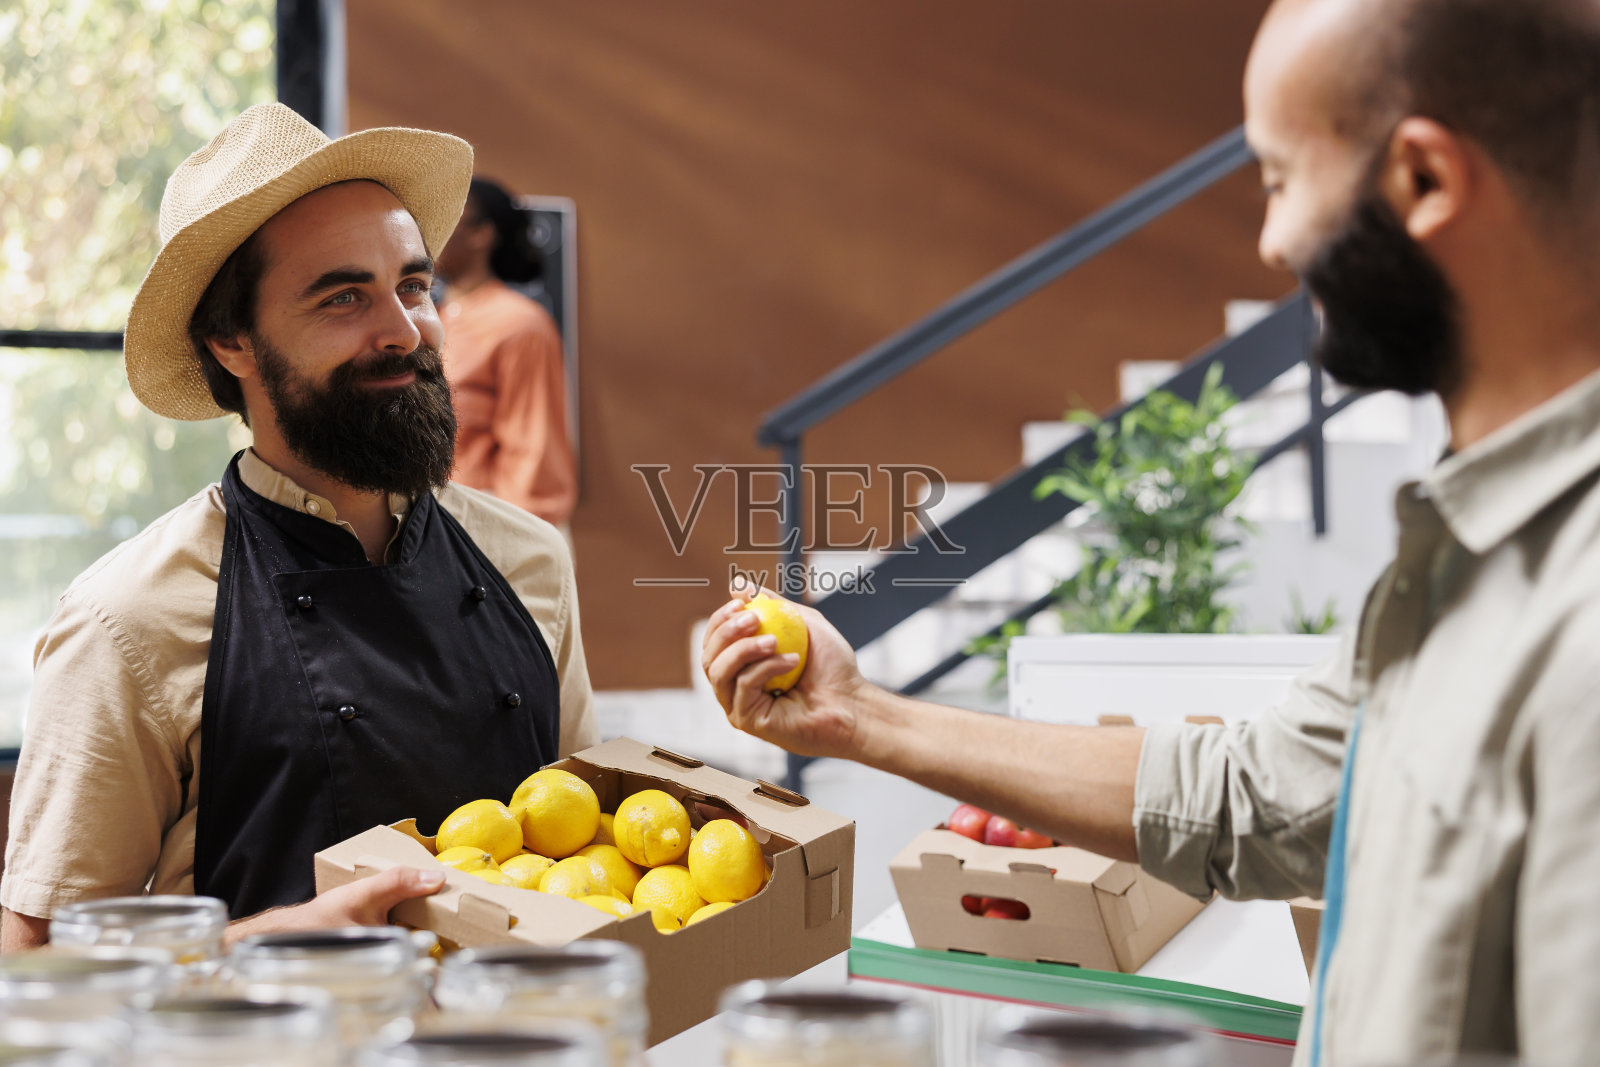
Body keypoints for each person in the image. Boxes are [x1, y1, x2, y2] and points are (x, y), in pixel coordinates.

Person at [704, 0, 1600, 1063]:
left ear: (1423, 181)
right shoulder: (1464, 551)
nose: (1271, 242)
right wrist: (857, 717)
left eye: (1277, 178)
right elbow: (1253, 795)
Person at [1, 103, 598, 950]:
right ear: (231, 341)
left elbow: (589, 843)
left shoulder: (527, 557)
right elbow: (30, 965)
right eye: (344, 297)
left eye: (414, 285)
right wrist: (266, 944)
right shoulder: (126, 618)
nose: (404, 330)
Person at [435, 177, 578, 528]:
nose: (429, 229)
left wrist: (515, 551)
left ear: (482, 234)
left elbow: (535, 450)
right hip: (426, 535)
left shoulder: (519, 324)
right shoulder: (424, 318)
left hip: (484, 536)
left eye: (446, 216)